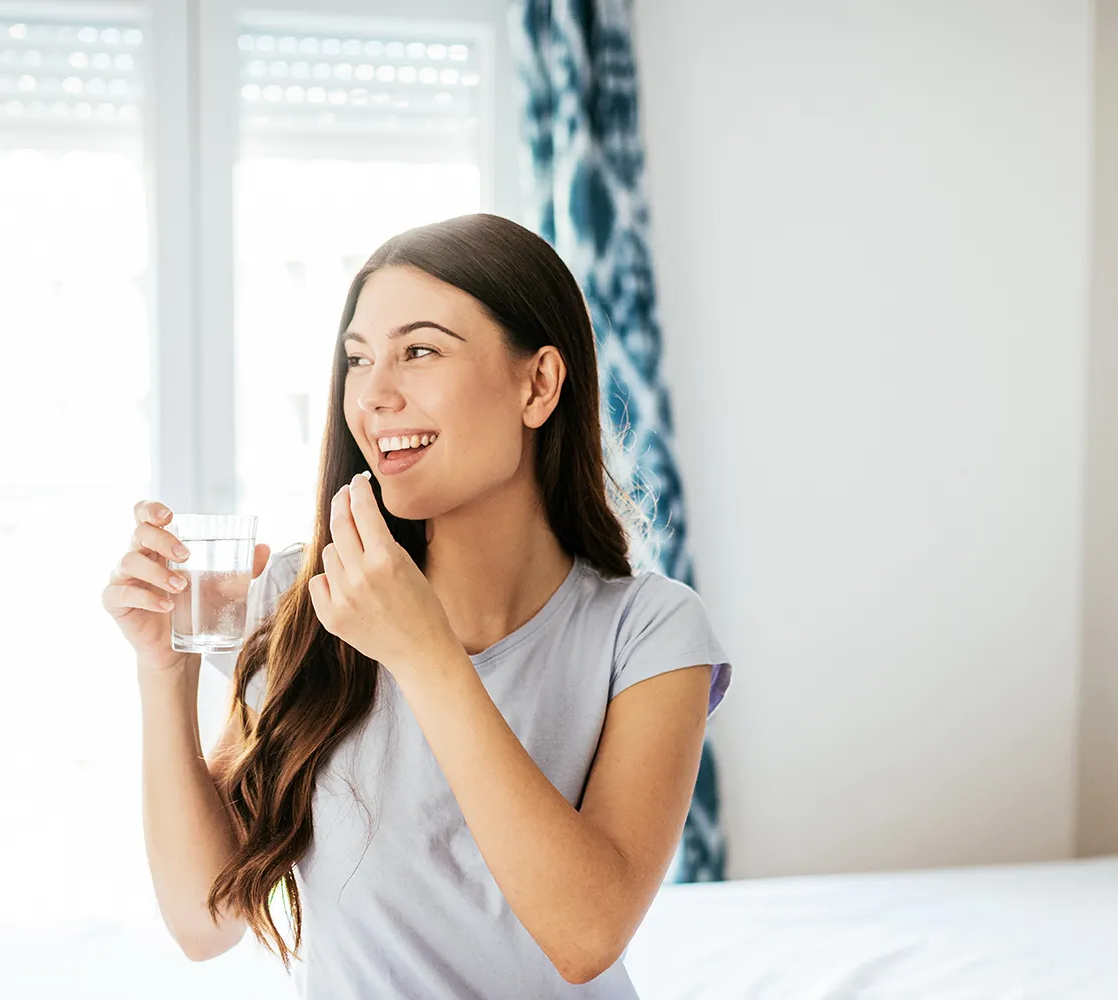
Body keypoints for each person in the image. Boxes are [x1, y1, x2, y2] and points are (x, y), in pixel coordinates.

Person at [101, 213, 731, 998]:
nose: (373, 395)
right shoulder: (310, 603)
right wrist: (164, 672)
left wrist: (422, 651)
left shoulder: (650, 632)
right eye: (358, 360)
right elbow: (204, 923)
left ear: (537, 384)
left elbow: (586, 935)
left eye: (419, 351)